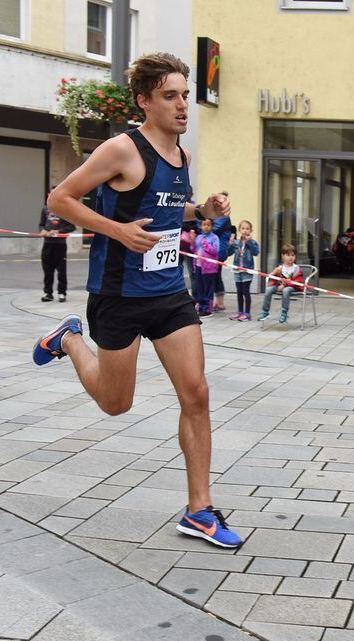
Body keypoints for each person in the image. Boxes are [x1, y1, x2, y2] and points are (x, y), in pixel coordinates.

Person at [34, 52, 240, 548]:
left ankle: (200, 511)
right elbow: (60, 199)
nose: (182, 105)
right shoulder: (120, 149)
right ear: (145, 101)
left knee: (198, 394)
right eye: (170, 96)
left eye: (185, 95)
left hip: (169, 292)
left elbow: (168, 208)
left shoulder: (183, 157)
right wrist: (117, 232)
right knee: (115, 404)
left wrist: (201, 209)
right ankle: (68, 342)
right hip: (118, 294)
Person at [39, 186, 75, 302]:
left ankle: (62, 293)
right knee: (47, 270)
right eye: (51, 193)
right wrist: (42, 231)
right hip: (47, 244)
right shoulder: (45, 209)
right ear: (48, 194)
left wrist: (59, 231)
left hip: (60, 245)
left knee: (61, 270)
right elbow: (41, 224)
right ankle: (48, 293)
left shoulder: (64, 210)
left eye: (56, 193)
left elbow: (71, 226)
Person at [258, 244, 303, 324]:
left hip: (293, 287)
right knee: (268, 289)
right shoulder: (280, 268)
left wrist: (284, 285)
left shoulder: (296, 269)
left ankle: (284, 313)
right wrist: (274, 272)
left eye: (292, 255)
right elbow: (271, 278)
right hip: (279, 286)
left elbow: (297, 281)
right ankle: (265, 312)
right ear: (283, 256)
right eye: (288, 255)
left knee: (286, 290)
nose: (290, 257)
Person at [227, 220, 259, 321]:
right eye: (243, 228)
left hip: (247, 270)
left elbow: (256, 252)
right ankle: (240, 312)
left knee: (246, 291)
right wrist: (230, 244)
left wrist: (249, 242)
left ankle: (247, 313)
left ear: (251, 230)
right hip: (237, 270)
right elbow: (229, 253)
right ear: (240, 230)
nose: (245, 231)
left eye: (247, 229)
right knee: (239, 292)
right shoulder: (236, 242)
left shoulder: (252, 242)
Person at [209, 197, 233, 312]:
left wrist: (203, 225)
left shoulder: (223, 216)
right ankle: (218, 302)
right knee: (216, 276)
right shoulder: (218, 215)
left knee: (215, 276)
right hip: (216, 250)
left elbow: (214, 228)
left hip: (219, 251)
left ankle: (219, 302)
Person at [194, 217, 219, 317]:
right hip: (198, 266)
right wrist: (192, 242)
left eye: (208, 225)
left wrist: (205, 244)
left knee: (208, 288)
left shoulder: (214, 238)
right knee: (199, 287)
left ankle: (208, 308)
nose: (206, 227)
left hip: (209, 268)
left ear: (212, 226)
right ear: (201, 226)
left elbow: (215, 251)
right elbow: (194, 250)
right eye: (204, 225)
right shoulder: (199, 237)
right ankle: (200, 306)